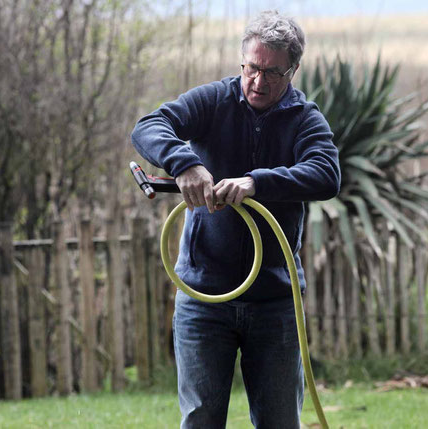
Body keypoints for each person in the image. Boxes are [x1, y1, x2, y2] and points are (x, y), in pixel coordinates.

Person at [131, 10, 340, 429]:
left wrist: (255, 183)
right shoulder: (213, 101)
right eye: (251, 68)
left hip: (275, 303)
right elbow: (148, 126)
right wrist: (184, 162)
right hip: (203, 299)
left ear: (293, 70)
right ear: (241, 61)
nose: (258, 82)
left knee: (280, 422)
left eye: (272, 72)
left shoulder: (304, 119)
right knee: (201, 420)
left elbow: (326, 174)